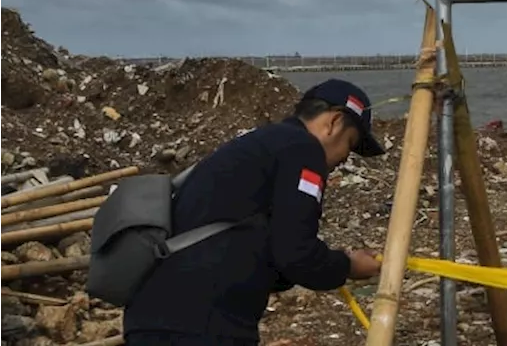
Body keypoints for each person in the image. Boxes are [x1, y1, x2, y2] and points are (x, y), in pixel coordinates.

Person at [123, 79, 388, 345]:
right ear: (334, 122)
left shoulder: (263, 146)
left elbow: (273, 258)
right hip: (200, 325)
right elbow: (297, 255)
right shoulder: (303, 150)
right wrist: (348, 265)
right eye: (350, 144)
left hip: (154, 317)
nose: (344, 158)